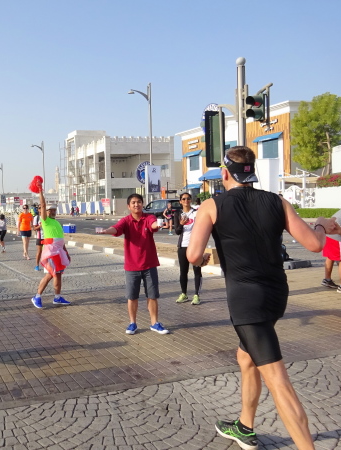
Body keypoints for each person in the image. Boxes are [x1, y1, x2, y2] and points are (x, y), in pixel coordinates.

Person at [186, 147, 328, 450]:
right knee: (246, 357)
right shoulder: (277, 201)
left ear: (225, 173)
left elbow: (193, 255)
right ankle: (244, 426)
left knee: (277, 380)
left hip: (246, 301)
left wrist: (204, 259)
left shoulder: (212, 205)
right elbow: (315, 244)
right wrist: (320, 225)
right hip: (277, 294)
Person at [97, 193, 169, 335]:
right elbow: (116, 228)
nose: (137, 204)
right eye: (134, 203)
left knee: (152, 295)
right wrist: (106, 231)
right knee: (132, 296)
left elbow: (153, 225)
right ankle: (132, 323)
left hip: (149, 264)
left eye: (139, 202)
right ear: (129, 206)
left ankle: (154, 323)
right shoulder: (126, 221)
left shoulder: (148, 218)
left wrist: (159, 224)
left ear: (142, 204)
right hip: (132, 266)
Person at [31, 186, 71, 308]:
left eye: (54, 210)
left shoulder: (57, 223)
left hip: (59, 251)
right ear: (46, 212)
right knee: (50, 274)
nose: (53, 212)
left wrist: (66, 252)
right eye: (50, 210)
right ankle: (37, 296)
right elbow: (43, 205)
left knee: (58, 274)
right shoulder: (45, 221)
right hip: (51, 251)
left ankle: (57, 297)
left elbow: (61, 240)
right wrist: (40, 191)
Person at [173, 193, 202, 305]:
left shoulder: (196, 212)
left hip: (194, 246)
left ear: (191, 200)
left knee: (197, 271)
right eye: (184, 199)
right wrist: (181, 224)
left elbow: (201, 227)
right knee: (183, 271)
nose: (186, 201)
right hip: (183, 246)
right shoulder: (178, 213)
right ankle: (184, 294)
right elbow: (177, 231)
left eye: (188, 198)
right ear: (180, 201)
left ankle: (197, 295)